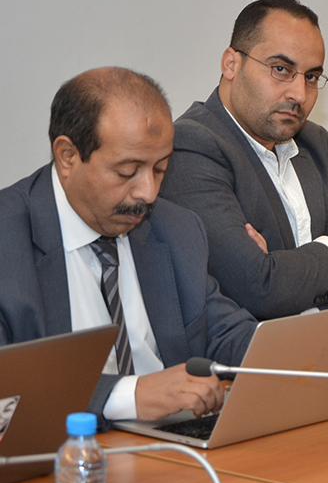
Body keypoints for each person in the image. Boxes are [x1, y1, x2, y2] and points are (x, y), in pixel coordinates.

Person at [0, 68, 258, 423]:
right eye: (127, 172)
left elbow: (226, 333)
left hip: (173, 442)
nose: (147, 193)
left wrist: (300, 355)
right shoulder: (8, 240)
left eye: (160, 169)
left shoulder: (176, 228)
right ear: (67, 156)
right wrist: (127, 395)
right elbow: (9, 388)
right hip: (65, 449)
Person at [159, 0, 328, 319]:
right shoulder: (193, 145)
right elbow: (257, 286)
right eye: (281, 70)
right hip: (247, 350)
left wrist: (309, 309)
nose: (299, 94)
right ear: (231, 64)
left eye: (311, 77)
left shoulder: (315, 144)